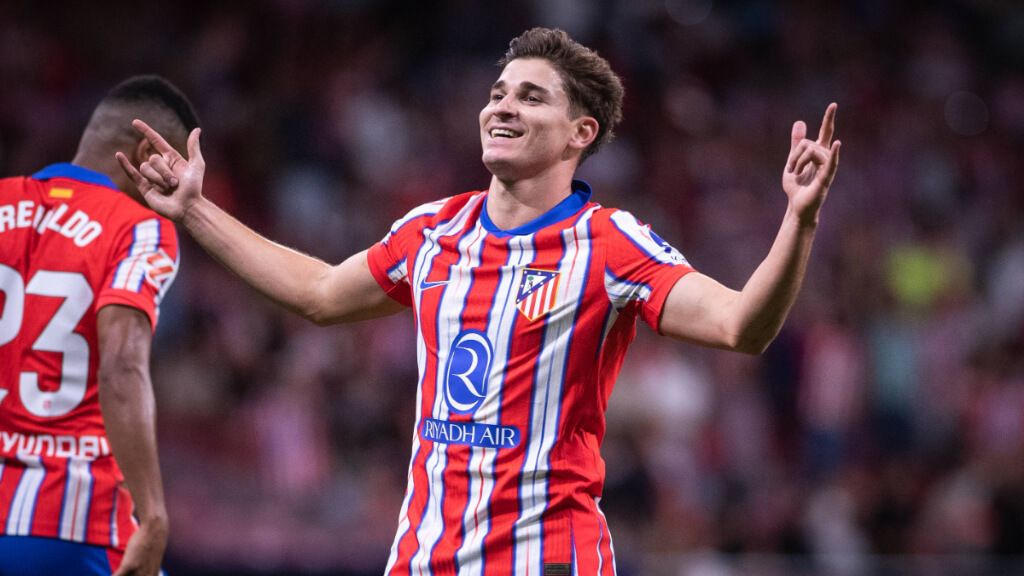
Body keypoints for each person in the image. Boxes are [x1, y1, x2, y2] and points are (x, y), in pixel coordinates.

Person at [122, 27, 839, 575]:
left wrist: (798, 221)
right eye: (498, 91)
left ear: (579, 135)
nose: (502, 105)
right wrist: (195, 211)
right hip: (423, 558)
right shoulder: (433, 232)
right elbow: (317, 293)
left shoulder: (611, 245)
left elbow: (743, 326)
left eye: (531, 96)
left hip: (548, 559)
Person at [0, 75, 198, 576]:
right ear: (140, 149)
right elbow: (121, 364)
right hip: (71, 522)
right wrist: (152, 517)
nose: (176, 188)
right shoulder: (138, 228)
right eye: (173, 166)